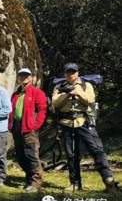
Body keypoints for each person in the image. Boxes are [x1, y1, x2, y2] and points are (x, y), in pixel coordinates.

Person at [52, 63, 120, 192]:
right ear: (65, 73)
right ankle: (75, 183)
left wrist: (77, 93)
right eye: (68, 72)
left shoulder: (86, 85)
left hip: (83, 121)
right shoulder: (59, 86)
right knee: (71, 155)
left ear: (78, 73)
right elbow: (55, 103)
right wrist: (67, 94)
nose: (71, 74)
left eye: (73, 72)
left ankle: (109, 181)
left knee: (96, 150)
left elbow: (90, 100)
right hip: (66, 123)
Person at [8, 68, 47, 193]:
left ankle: (36, 182)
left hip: (29, 128)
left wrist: (35, 125)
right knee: (20, 156)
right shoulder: (16, 94)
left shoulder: (37, 92)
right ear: (18, 78)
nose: (24, 77)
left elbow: (42, 110)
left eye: (26, 75)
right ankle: (30, 178)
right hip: (17, 127)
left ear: (31, 78)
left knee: (31, 154)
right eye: (21, 75)